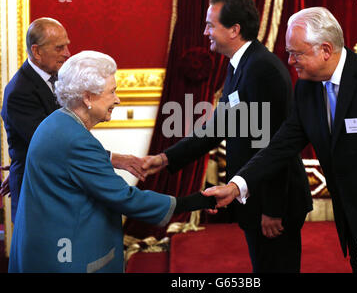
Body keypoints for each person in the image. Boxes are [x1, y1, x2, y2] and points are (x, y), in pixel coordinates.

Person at [203, 7, 357, 273]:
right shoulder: (306, 88)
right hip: (355, 222)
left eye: (296, 53)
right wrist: (235, 187)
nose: (290, 61)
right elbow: (280, 146)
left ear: (325, 50)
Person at [141, 0, 312, 273]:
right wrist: (165, 159)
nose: (205, 31)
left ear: (234, 29)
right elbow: (219, 126)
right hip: (253, 197)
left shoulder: (261, 69)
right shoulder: (241, 65)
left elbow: (274, 143)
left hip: (272, 203)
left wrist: (273, 208)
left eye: (211, 25)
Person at [8, 50, 215, 273]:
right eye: (112, 92)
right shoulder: (74, 139)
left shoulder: (58, 122)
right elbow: (125, 198)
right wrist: (196, 202)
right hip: (68, 257)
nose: (117, 99)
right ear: (88, 97)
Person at [1, 17, 147, 222]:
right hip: (36, 192)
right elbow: (55, 146)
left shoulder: (60, 77)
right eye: (59, 48)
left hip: (58, 184)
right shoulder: (20, 92)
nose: (67, 53)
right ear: (36, 51)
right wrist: (116, 159)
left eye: (67, 46)